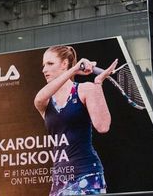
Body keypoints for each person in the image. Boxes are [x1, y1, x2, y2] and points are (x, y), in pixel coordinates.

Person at [33, 45, 118, 196]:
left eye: (50, 64)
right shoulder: (45, 102)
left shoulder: (85, 89)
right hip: (60, 179)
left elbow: (103, 126)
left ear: (64, 64)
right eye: (43, 65)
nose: (44, 69)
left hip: (87, 173)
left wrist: (98, 84)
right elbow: (38, 98)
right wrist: (74, 70)